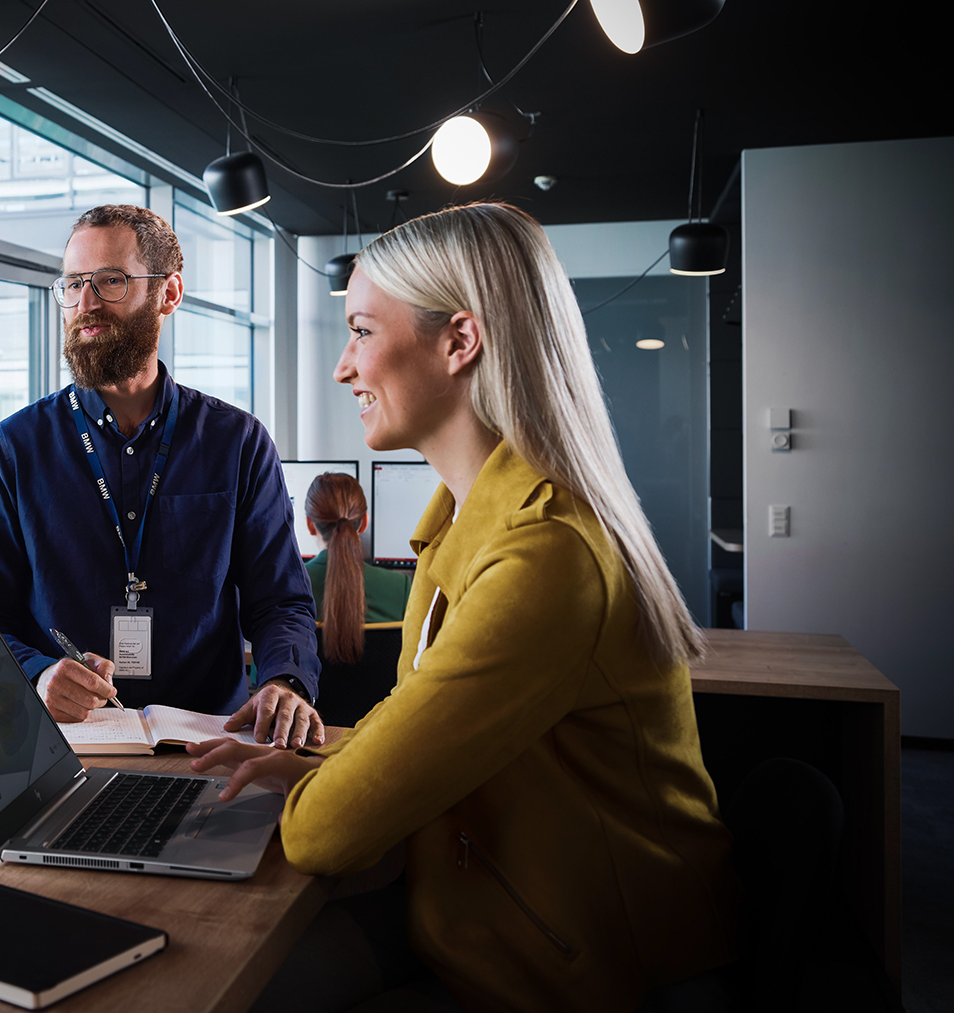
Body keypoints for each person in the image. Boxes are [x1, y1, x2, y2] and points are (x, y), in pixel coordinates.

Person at [186, 203, 740, 1012]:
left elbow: (322, 833)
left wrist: (312, 792)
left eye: (363, 332)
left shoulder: (543, 557)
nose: (344, 368)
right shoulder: (462, 528)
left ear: (459, 341)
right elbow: (415, 717)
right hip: (489, 913)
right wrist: (321, 764)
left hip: (595, 967)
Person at [0, 205, 324, 748]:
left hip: (212, 746)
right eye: (75, 283)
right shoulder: (12, 451)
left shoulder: (238, 443)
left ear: (168, 294)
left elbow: (280, 601)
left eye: (110, 281)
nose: (85, 304)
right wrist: (37, 675)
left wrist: (285, 681)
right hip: (64, 750)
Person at [302, 471, 411, 663]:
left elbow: (262, 675)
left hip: (308, 694)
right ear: (364, 523)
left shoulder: (288, 586)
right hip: (388, 694)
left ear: (310, 525)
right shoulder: (401, 587)